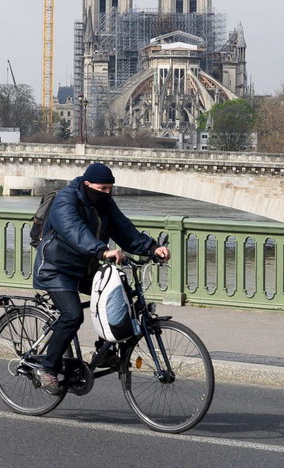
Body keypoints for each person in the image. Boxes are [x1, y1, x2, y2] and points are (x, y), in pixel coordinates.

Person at [27, 162, 169, 394]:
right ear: (87, 184)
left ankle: (105, 352)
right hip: (56, 269)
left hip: (86, 266)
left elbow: (124, 229)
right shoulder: (65, 200)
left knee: (120, 298)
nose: (107, 194)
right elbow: (73, 231)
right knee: (72, 315)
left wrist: (152, 247)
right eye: (102, 189)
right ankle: (48, 367)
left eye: (110, 189)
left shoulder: (104, 203)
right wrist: (102, 251)